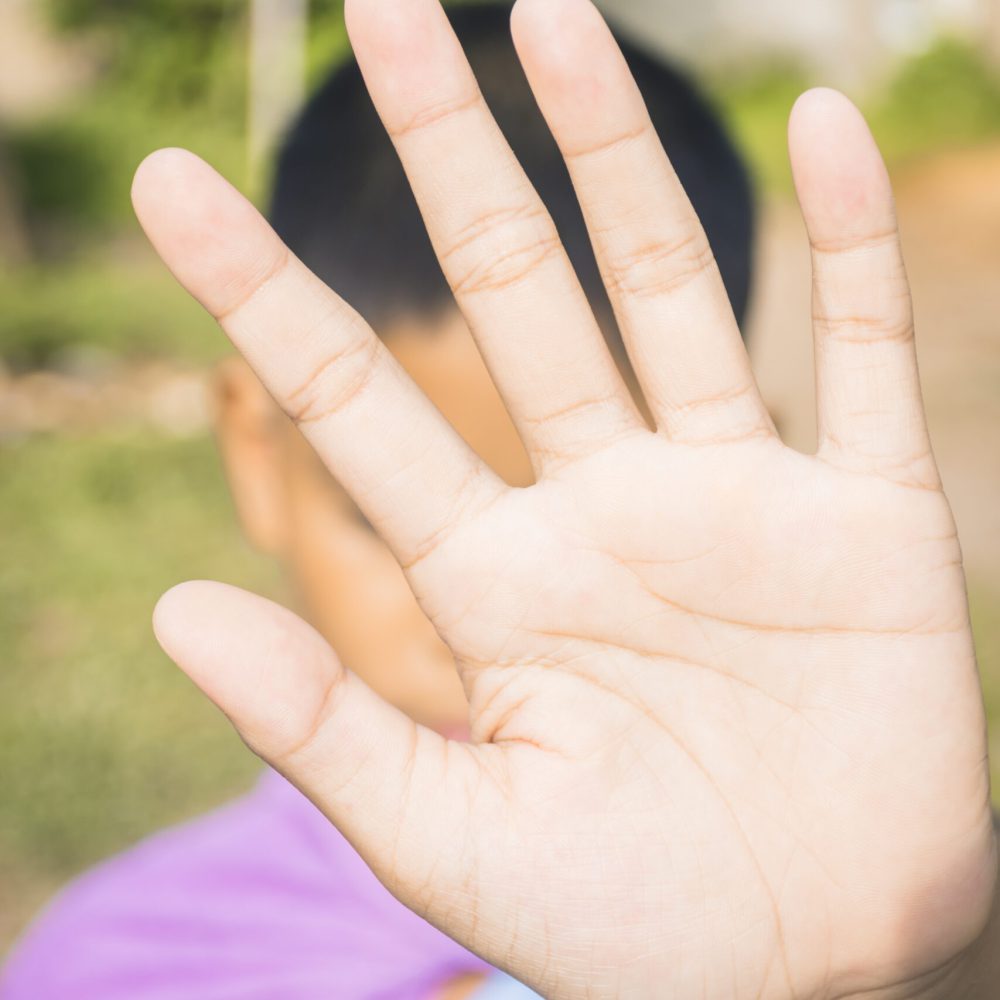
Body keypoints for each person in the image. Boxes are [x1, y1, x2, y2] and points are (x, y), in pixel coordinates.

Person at [0, 3, 758, 998]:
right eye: (385, 519)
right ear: (257, 451)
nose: (479, 623)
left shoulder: (810, 894)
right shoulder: (125, 960)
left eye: (578, 544)